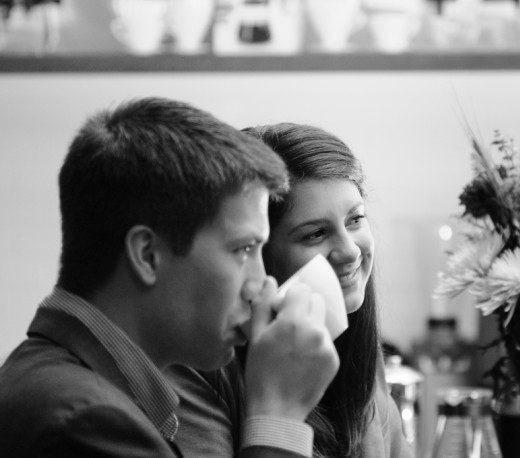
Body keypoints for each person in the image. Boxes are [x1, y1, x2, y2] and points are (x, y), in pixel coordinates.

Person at [0, 98, 339, 457]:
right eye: (243, 250)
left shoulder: (61, 382)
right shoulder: (86, 422)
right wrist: (279, 415)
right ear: (148, 255)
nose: (261, 287)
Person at [169, 122, 411, 457]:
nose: (351, 251)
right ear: (259, 254)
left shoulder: (356, 346)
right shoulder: (199, 369)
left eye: (355, 220)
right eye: (315, 234)